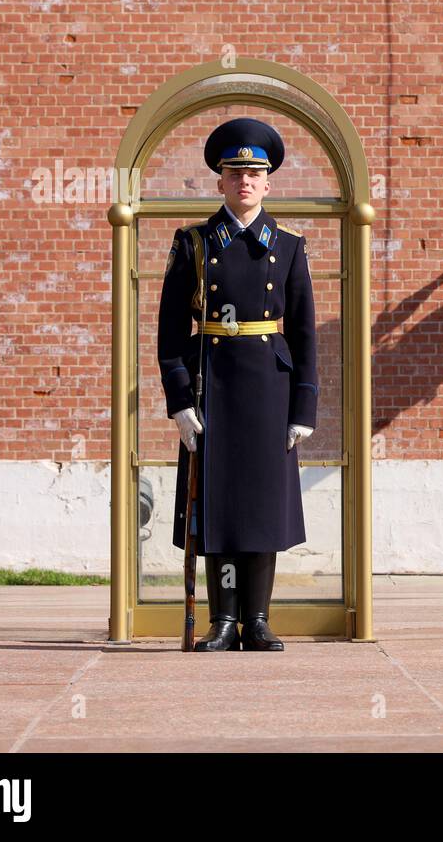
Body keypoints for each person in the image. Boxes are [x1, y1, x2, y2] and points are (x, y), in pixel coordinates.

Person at [157, 117, 318, 651]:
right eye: (234, 172)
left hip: (269, 390)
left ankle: (258, 618)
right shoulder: (195, 243)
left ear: (268, 183)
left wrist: (304, 408)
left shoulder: (289, 246)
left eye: (254, 173)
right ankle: (223, 621)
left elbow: (304, 333)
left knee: (261, 505)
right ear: (219, 181)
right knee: (218, 505)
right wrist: (179, 401)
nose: (244, 181)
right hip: (212, 386)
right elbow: (168, 333)